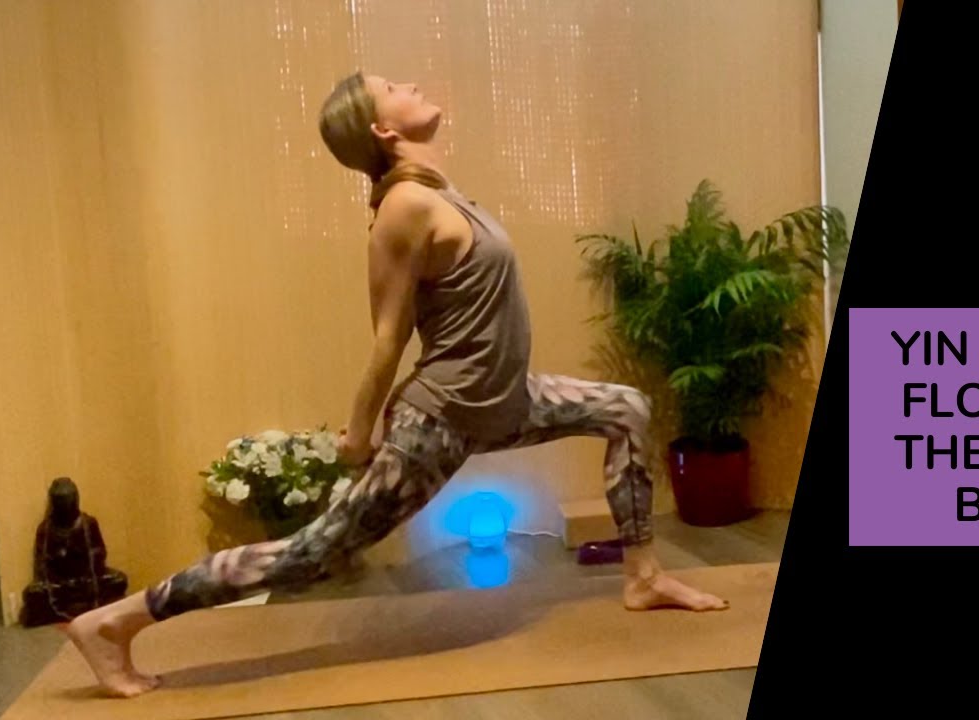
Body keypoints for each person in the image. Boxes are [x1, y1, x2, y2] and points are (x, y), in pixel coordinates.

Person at [67, 70, 728, 698]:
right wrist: (360, 433)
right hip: (443, 418)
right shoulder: (404, 209)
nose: (409, 84)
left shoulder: (438, 192)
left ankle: (643, 577)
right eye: (392, 87)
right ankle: (115, 622)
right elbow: (388, 340)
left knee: (625, 408)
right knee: (312, 553)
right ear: (383, 130)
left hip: (507, 399)